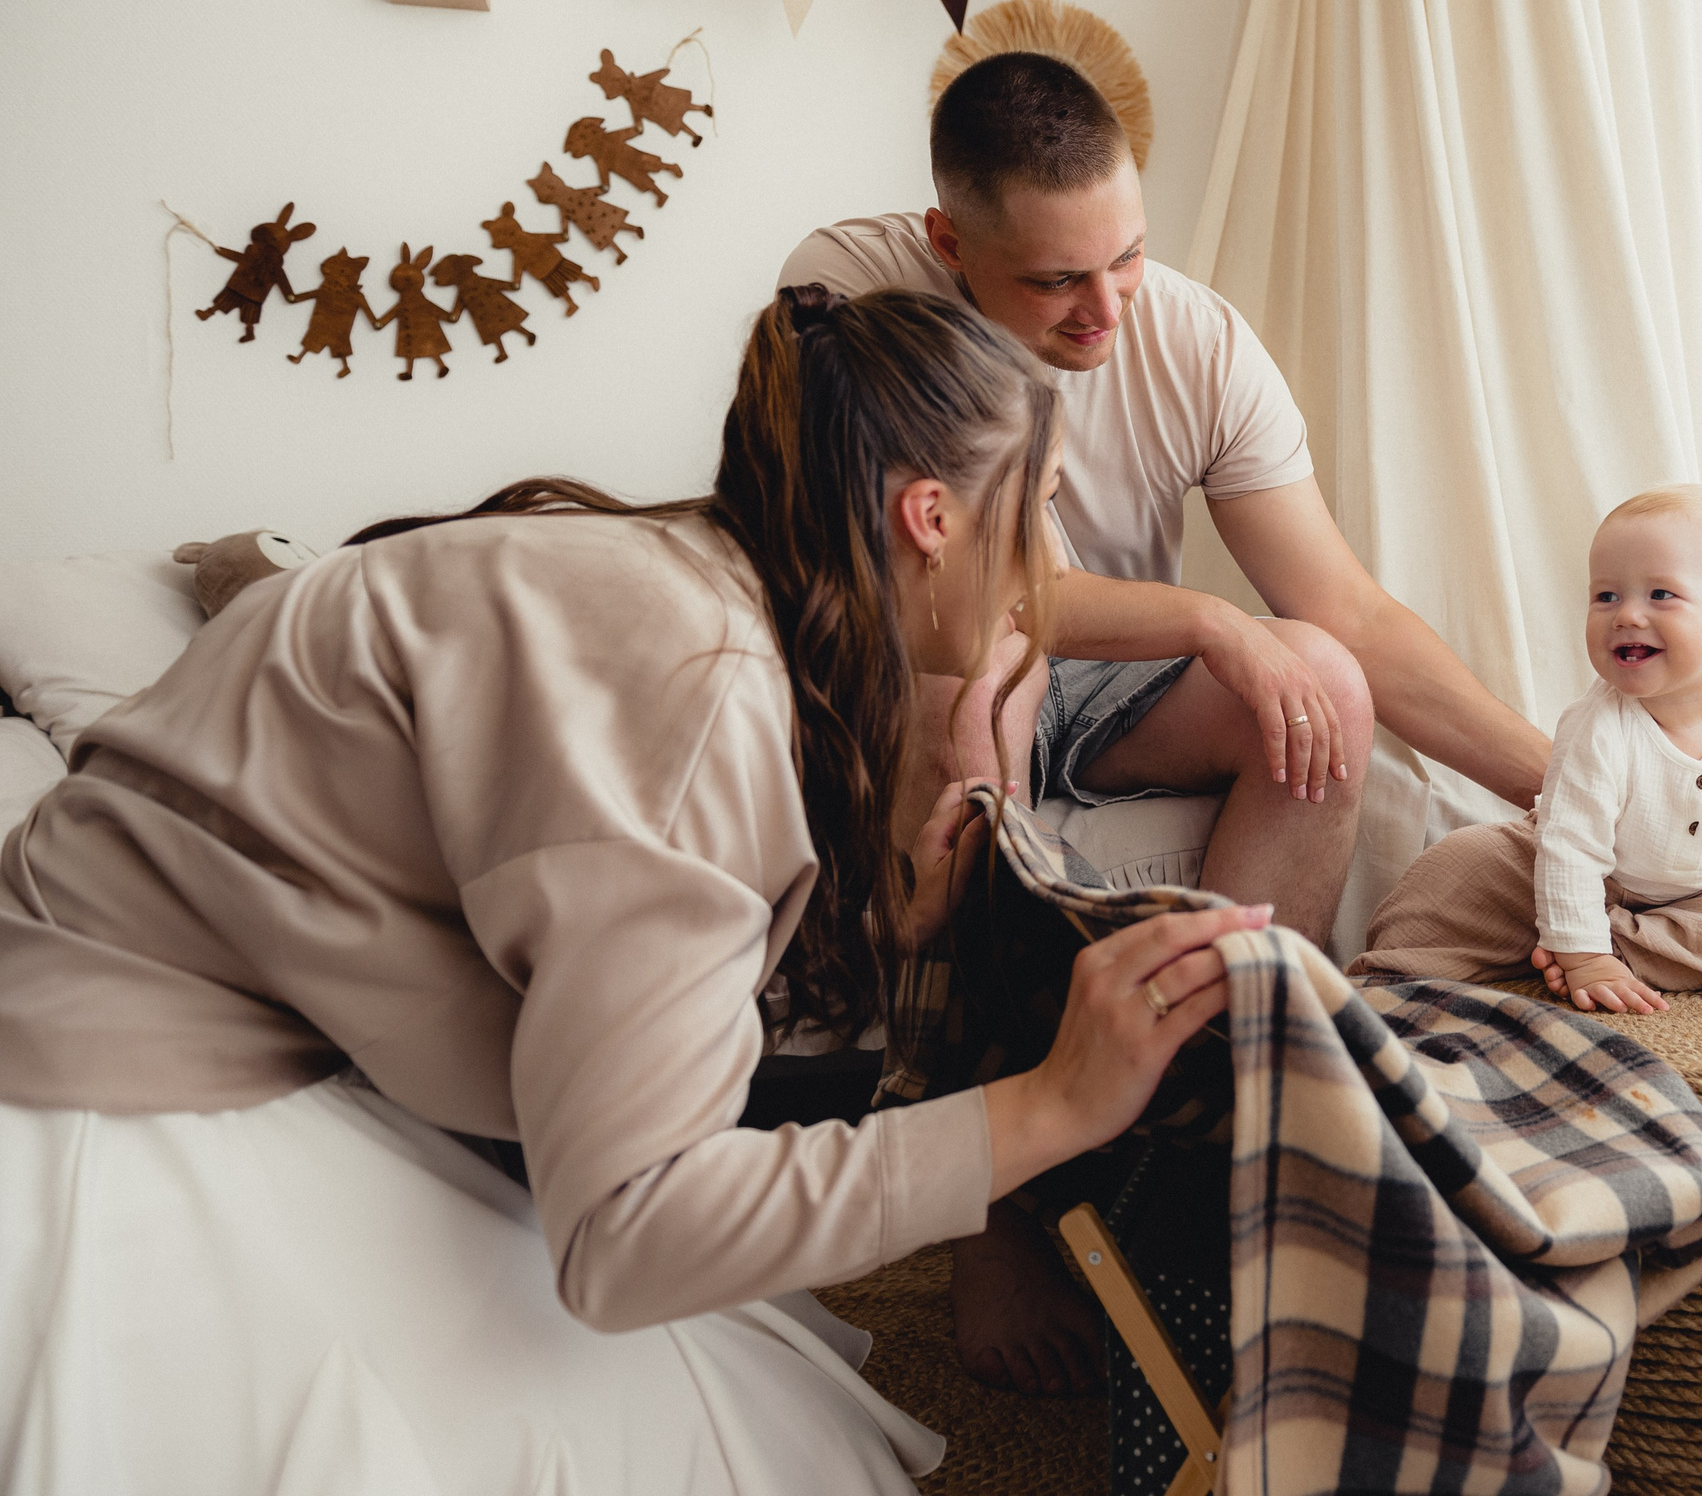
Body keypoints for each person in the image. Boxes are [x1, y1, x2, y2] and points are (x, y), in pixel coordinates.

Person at [0, 287, 1255, 1496]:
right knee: (649, 1431)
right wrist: (1049, 1107)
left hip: (202, 984)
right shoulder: (695, 681)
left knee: (732, 1397)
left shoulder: (686, 581)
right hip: (109, 1059)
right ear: (929, 516)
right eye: (1035, 508)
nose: (1044, 566)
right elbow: (631, 1231)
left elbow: (626, 997)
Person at [781, 51, 1553, 1396]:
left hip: (1106, 686)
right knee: (975, 692)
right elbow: (941, 588)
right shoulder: (850, 289)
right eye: (1056, 282)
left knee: (1319, 673)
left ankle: (1222, 1128)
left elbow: (1348, 611)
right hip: (928, 664)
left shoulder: (1188, 333)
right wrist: (1204, 620)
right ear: (951, 242)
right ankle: (991, 1202)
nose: (1104, 308)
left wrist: (1576, 791)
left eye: (1125, 257)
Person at [1351, 484, 1702, 1008]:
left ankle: (1579, 945)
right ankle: (1417, 974)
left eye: (1660, 594)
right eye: (1605, 596)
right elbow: (1571, 848)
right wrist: (1582, 951)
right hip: (1556, 861)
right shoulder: (1598, 725)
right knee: (1455, 867)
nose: (1626, 615)